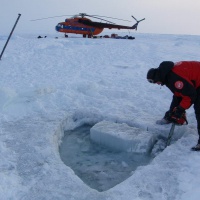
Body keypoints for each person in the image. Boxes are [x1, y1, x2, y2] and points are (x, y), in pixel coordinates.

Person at [147, 61, 200, 151]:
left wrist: (181, 109)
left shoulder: (174, 78)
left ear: (157, 77)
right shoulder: (167, 76)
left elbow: (190, 95)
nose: (157, 84)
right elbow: (178, 95)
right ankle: (170, 117)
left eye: (155, 82)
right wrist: (171, 114)